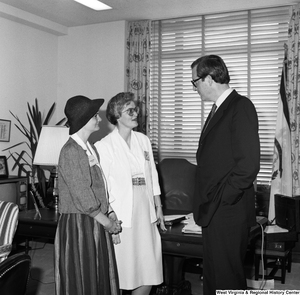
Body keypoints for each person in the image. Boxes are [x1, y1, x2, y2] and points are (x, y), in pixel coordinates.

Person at [190, 55, 260, 293]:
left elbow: (248, 165)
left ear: (208, 79)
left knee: (227, 277)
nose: (195, 87)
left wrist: (223, 199)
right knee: (213, 274)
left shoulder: (240, 106)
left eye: (195, 82)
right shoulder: (219, 108)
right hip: (213, 209)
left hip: (227, 210)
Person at [95, 92, 166, 295]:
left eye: (136, 110)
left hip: (146, 212)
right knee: (121, 270)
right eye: (130, 110)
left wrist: (158, 206)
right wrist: (109, 215)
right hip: (121, 215)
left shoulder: (143, 140)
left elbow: (152, 174)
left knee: (149, 268)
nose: (136, 114)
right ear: (117, 115)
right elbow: (102, 187)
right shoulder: (104, 146)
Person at [54, 95, 122, 295]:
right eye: (95, 116)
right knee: (83, 276)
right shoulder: (71, 151)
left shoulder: (89, 148)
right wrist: (106, 222)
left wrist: (109, 211)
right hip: (79, 224)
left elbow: (98, 186)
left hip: (93, 220)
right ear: (84, 120)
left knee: (98, 274)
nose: (99, 119)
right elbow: (81, 193)